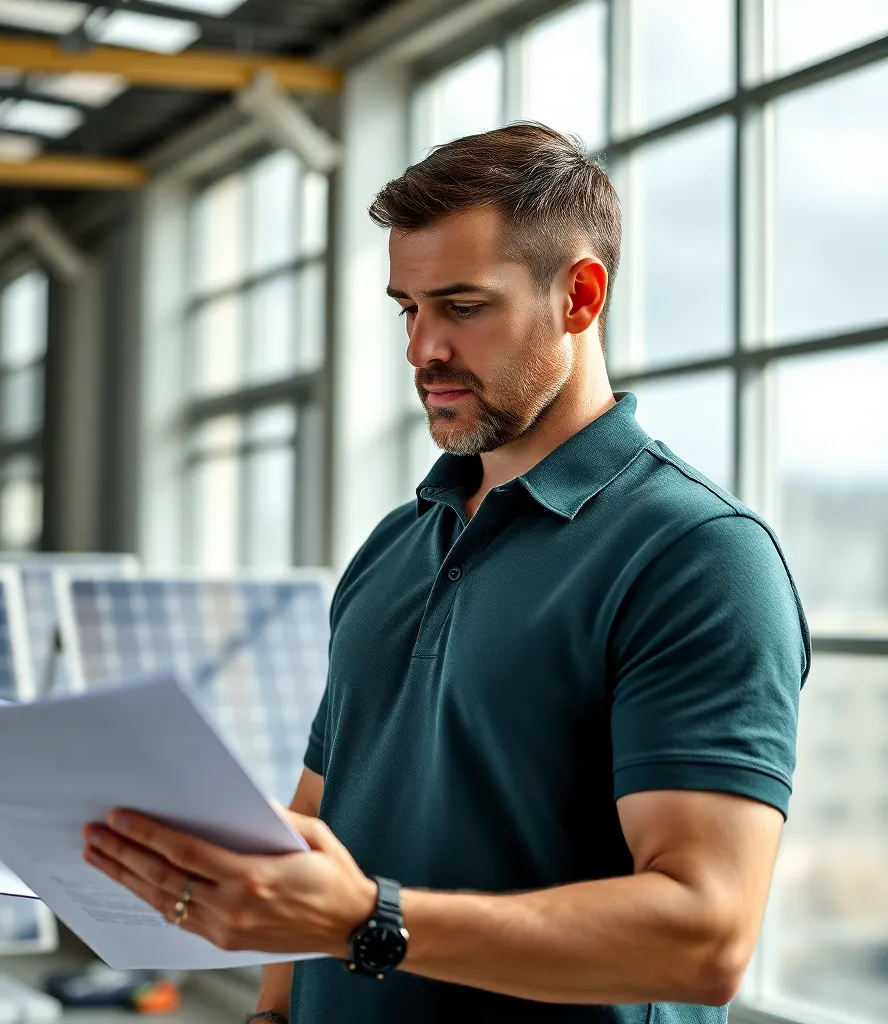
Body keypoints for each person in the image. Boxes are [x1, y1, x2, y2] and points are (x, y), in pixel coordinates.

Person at [81, 122, 810, 1024]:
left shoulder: (698, 557)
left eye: (463, 307)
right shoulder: (397, 543)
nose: (423, 349)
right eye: (408, 309)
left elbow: (705, 937)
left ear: (579, 296)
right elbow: (314, 819)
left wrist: (373, 922)